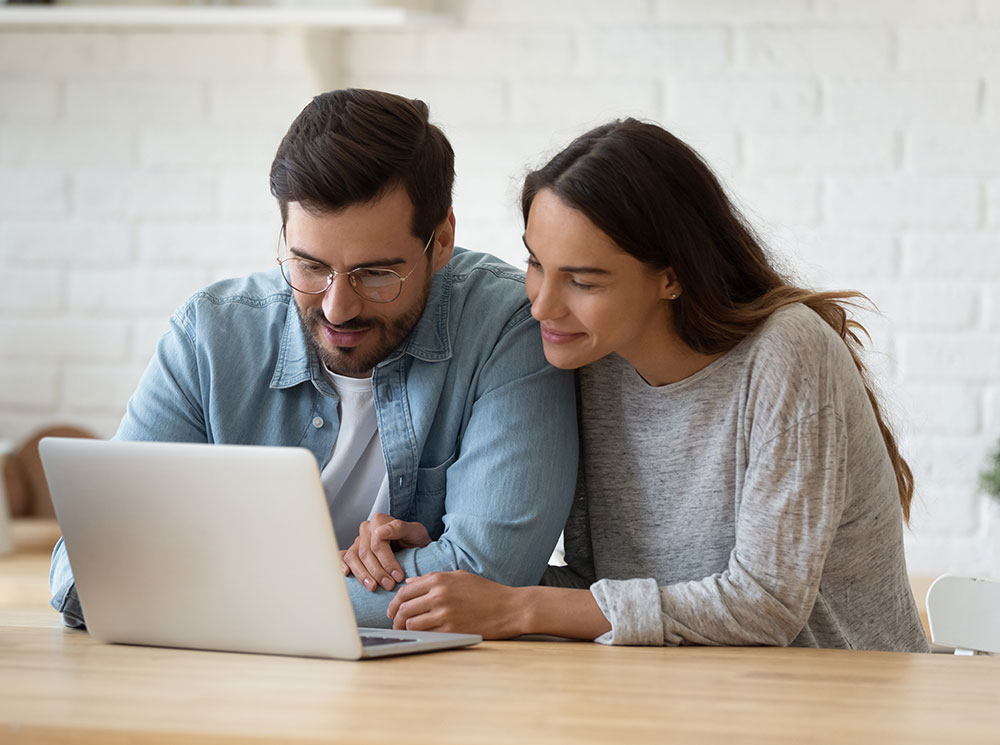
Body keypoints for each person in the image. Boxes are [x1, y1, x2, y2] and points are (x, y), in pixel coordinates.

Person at [379, 119, 930, 651]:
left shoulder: (787, 352)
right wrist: (455, 580)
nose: (541, 304)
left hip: (844, 704)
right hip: (690, 697)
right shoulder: (593, 361)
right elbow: (612, 596)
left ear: (671, 276)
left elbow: (765, 604)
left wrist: (521, 608)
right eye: (537, 264)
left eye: (583, 279)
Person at [48, 89, 578, 629]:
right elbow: (84, 571)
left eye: (375, 274)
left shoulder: (507, 327)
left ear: (440, 241)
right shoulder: (210, 336)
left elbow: (489, 576)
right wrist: (325, 577)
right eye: (308, 265)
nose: (337, 308)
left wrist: (205, 586)